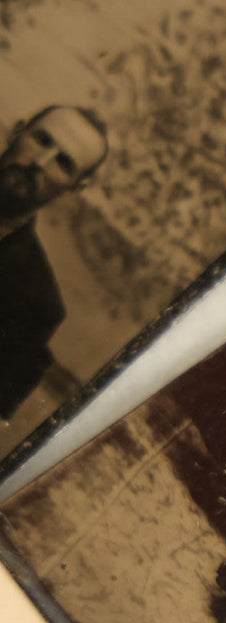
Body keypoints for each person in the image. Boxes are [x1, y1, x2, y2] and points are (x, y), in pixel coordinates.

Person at [0, 105, 109, 420]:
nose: (39, 163)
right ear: (18, 131)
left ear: (74, 187)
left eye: (63, 163)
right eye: (41, 140)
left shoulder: (35, 308)